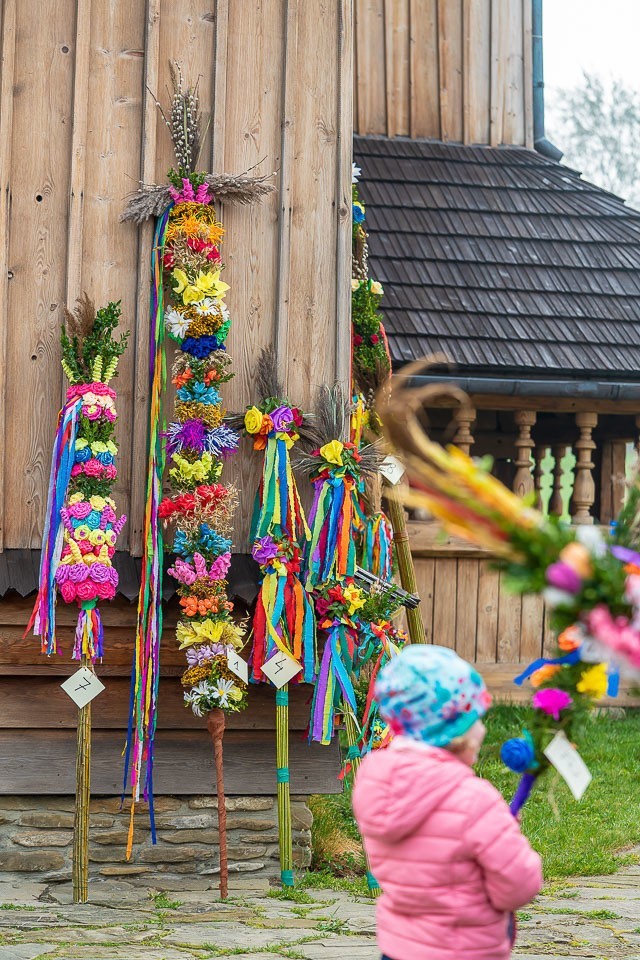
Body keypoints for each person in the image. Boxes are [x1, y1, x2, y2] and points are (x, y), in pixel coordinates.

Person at [352, 644, 543, 960]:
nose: (483, 728)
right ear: (457, 733)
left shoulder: (375, 780)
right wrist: (508, 839)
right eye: (477, 719)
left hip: (399, 948)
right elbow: (518, 886)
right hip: (465, 949)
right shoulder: (474, 799)